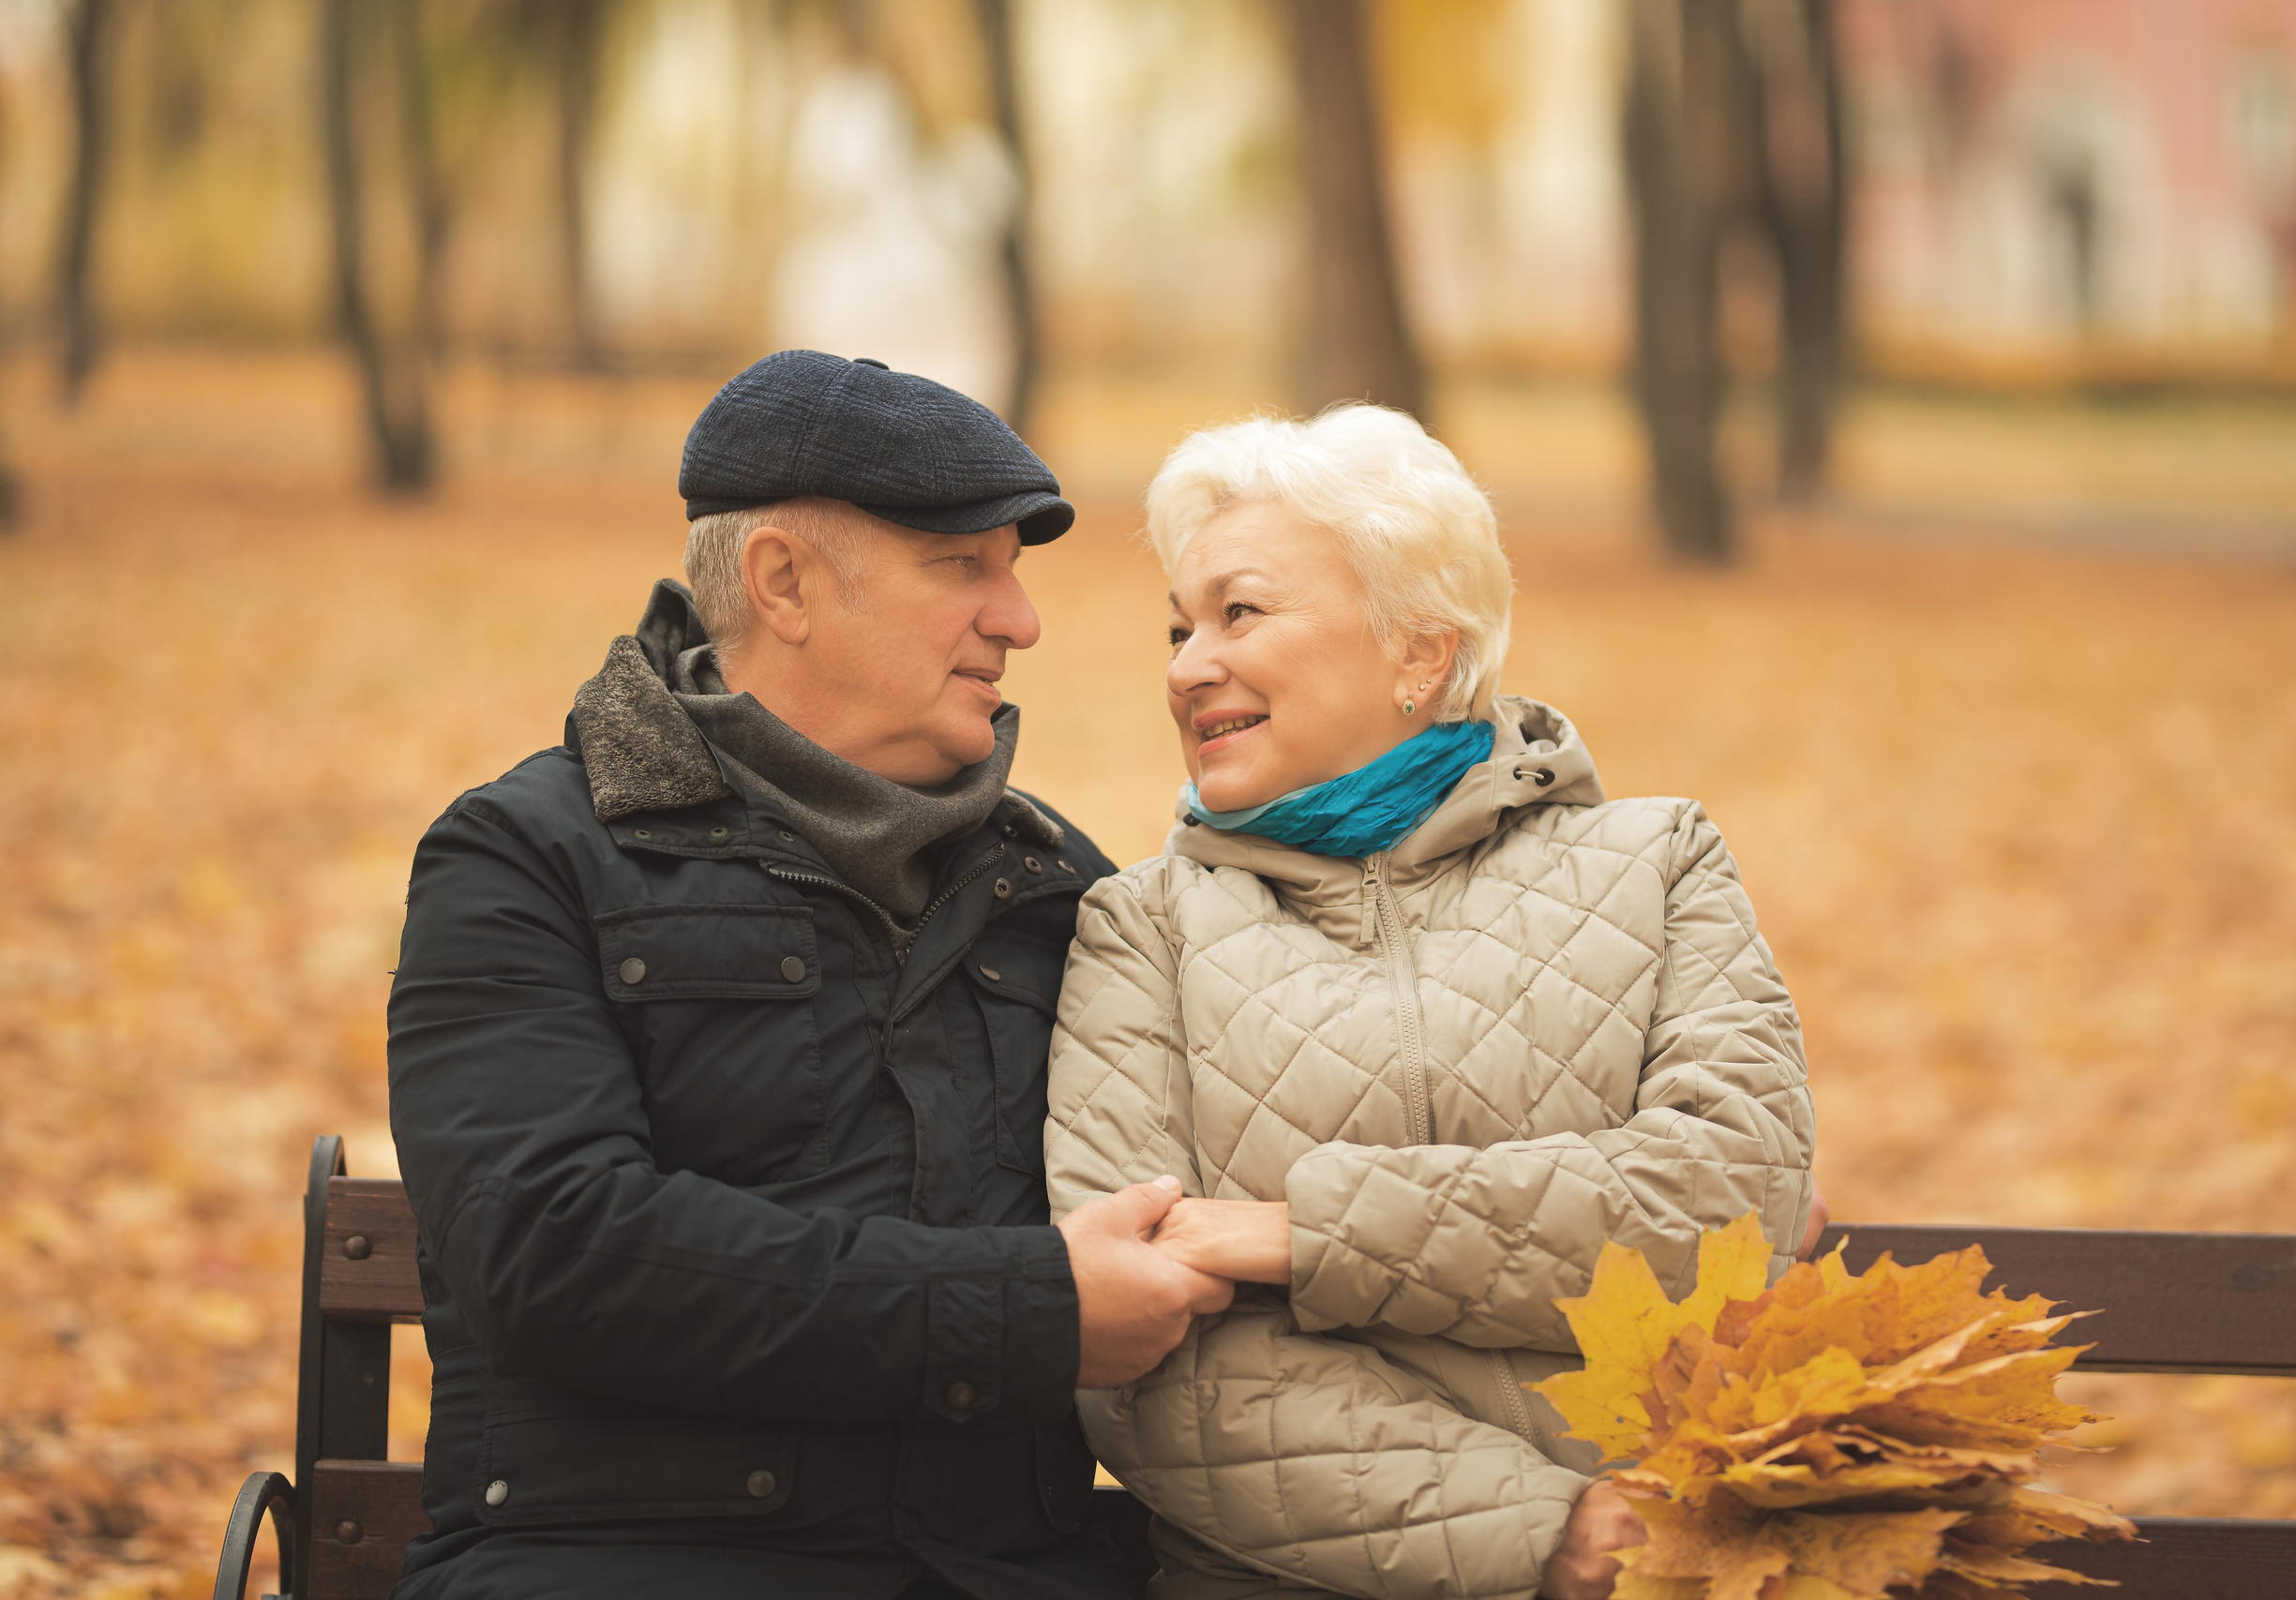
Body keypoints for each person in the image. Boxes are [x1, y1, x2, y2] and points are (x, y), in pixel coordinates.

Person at [386, 351, 1232, 1600]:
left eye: (1012, 570)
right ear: (783, 582)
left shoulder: (1054, 886)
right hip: (617, 1566)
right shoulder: (528, 856)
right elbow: (555, 1248)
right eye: (963, 566)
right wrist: (1028, 1308)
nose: (1020, 619)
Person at [1045, 405, 1824, 1600]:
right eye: (1178, 627)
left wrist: (1301, 1237)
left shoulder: (1657, 863)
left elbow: (1728, 1204)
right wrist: (1546, 1530)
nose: (1187, 666)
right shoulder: (1140, 928)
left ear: (1418, 651)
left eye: (1238, 613)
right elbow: (1143, 1354)